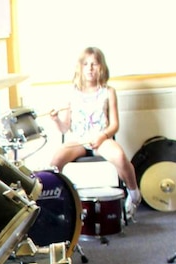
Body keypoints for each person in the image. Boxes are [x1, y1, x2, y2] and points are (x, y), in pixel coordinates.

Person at [48, 47, 142, 219]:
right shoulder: (72, 92)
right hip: (78, 140)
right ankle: (61, 203)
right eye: (86, 64)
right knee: (54, 163)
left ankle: (134, 194)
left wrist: (102, 136)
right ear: (80, 68)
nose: (90, 68)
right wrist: (55, 120)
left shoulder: (108, 91)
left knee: (120, 157)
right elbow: (64, 127)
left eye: (94, 64)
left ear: (101, 67)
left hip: (101, 138)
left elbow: (114, 124)